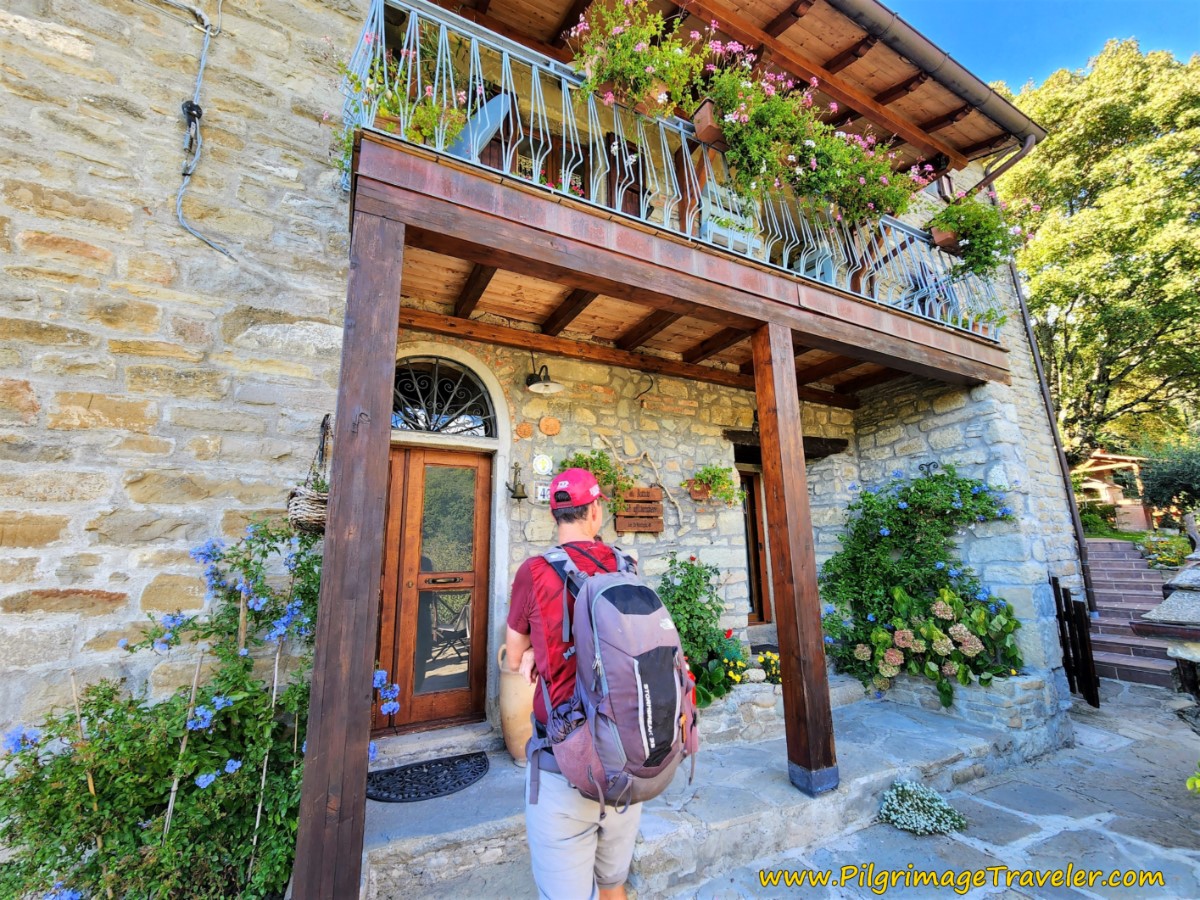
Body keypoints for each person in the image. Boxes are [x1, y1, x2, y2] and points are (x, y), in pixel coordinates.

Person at [505, 468, 642, 900]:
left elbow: (513, 658)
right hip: (625, 755)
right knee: (613, 885)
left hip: (564, 760)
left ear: (554, 514)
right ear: (596, 511)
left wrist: (531, 653)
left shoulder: (534, 571)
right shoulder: (627, 566)